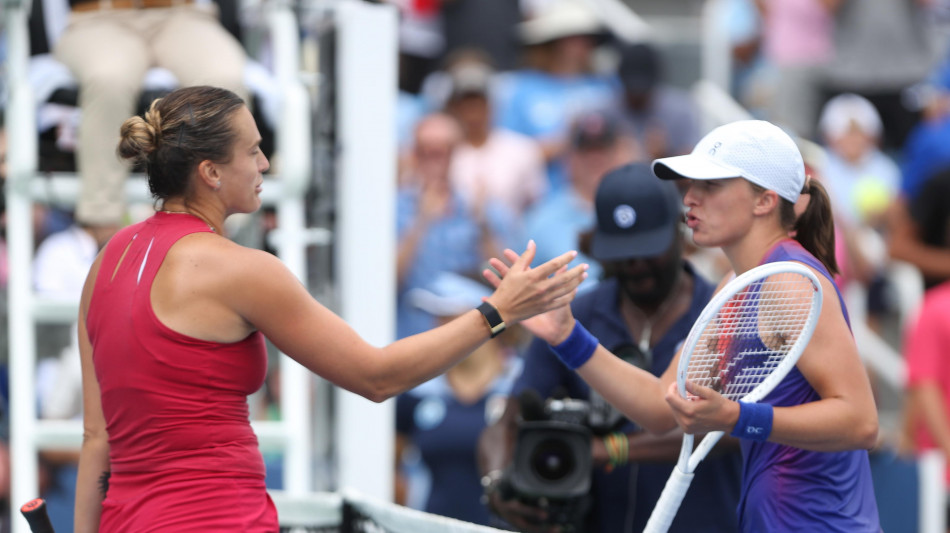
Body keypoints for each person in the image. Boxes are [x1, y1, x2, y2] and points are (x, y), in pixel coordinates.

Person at [74, 85, 588, 532]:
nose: (265, 164)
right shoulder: (240, 269)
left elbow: (97, 438)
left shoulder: (106, 263)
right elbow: (377, 377)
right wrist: (497, 312)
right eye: (253, 150)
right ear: (210, 172)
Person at [484, 119, 881, 531]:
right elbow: (661, 407)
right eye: (691, 185)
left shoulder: (790, 282)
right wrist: (568, 337)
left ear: (764, 201)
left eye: (711, 186)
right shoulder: (735, 284)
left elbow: (861, 422)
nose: (689, 198)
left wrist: (737, 417)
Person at [479, 163, 742, 533]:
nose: (635, 264)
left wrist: (604, 450)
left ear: (679, 232)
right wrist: (498, 484)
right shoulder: (572, 317)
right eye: (622, 252)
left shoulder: (719, 311)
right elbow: (507, 418)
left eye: (648, 249)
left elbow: (729, 429)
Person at [53, 0, 249, 240]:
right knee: (109, 79)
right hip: (98, 17)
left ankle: (222, 223)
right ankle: (103, 229)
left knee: (224, 80)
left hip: (182, 14)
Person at [395, 272, 525, 526]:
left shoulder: (526, 385)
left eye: (451, 317)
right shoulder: (416, 393)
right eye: (436, 317)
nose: (438, 327)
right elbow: (392, 467)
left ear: (492, 320)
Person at [396, 112, 524, 338]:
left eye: (444, 151)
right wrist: (421, 222)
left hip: (473, 338)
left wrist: (482, 223)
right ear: (413, 155)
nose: (436, 161)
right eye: (425, 152)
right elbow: (384, 282)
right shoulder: (393, 208)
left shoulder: (482, 205)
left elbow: (512, 281)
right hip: (412, 335)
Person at [524, 108, 636, 288]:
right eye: (587, 151)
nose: (595, 159)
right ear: (569, 158)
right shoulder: (540, 220)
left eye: (603, 150)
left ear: (618, 154)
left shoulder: (636, 210)